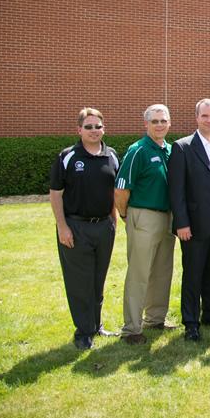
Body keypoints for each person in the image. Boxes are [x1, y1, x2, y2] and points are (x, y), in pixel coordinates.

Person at [49, 107, 119, 350]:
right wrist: (62, 227)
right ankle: (83, 331)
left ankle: (96, 325)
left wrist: (113, 221)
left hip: (103, 227)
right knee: (80, 282)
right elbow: (56, 194)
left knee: (98, 280)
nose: (93, 131)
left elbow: (113, 193)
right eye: (88, 127)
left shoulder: (111, 156)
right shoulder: (68, 156)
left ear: (103, 128)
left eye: (97, 126)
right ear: (79, 129)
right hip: (75, 227)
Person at [168, 98, 210, 342]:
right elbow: (176, 191)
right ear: (196, 118)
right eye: (205, 116)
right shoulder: (182, 147)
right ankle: (191, 322)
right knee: (193, 273)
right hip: (194, 223)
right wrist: (181, 223)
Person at [115, 104, 176, 345]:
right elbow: (121, 189)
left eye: (163, 120)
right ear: (146, 124)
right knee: (139, 273)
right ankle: (131, 328)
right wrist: (125, 216)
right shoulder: (137, 150)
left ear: (170, 123)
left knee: (162, 271)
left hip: (167, 217)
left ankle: (155, 319)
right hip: (144, 215)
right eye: (155, 121)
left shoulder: (171, 150)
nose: (160, 125)